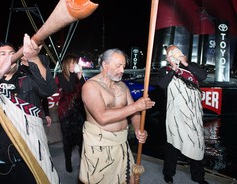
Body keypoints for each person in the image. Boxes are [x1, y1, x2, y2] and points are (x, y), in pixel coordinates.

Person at [0, 34, 59, 184]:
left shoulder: (28, 80)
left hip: (32, 158)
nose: (9, 57)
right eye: (2, 54)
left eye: (12, 54)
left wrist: (34, 58)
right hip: (3, 160)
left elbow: (49, 89)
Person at [79, 48, 155, 184]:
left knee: (127, 179)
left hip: (122, 143)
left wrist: (138, 129)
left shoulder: (123, 87)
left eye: (124, 66)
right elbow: (102, 117)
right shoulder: (90, 86)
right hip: (100, 146)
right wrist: (136, 106)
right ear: (105, 65)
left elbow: (134, 113)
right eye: (118, 66)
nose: (122, 70)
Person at [157, 45, 208, 184]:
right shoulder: (165, 70)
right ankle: (168, 173)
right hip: (175, 114)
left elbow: (203, 76)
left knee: (196, 144)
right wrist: (173, 68)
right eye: (170, 53)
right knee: (172, 145)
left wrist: (184, 62)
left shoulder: (190, 67)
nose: (174, 54)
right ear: (167, 58)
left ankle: (198, 177)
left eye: (176, 52)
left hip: (193, 115)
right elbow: (162, 84)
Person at [55, 54, 86, 172]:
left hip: (78, 111)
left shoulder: (76, 76)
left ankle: (83, 161)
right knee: (67, 139)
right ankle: (68, 160)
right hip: (65, 112)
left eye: (76, 63)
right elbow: (68, 89)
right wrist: (74, 75)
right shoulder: (60, 76)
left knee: (81, 138)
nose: (75, 65)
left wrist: (81, 77)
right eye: (72, 63)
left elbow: (85, 90)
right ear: (67, 64)